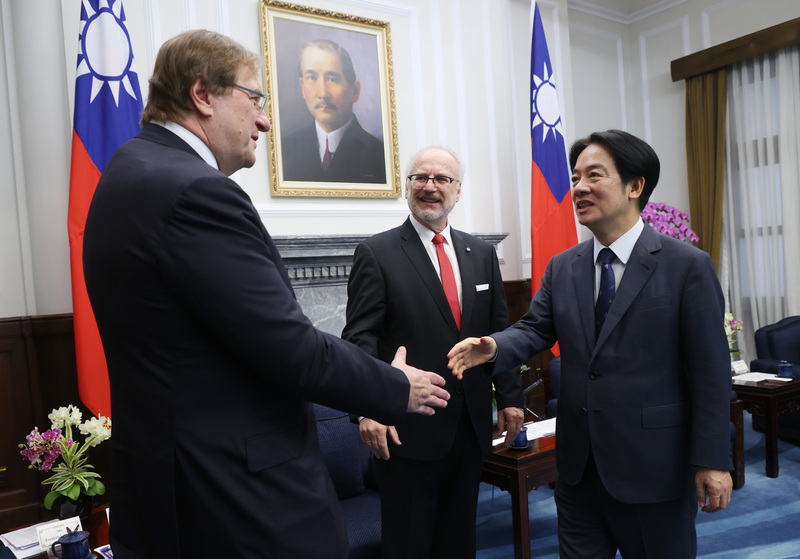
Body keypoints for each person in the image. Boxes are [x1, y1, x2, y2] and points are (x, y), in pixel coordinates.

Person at [82, 30, 449, 559]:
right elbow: (290, 348)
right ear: (203, 94)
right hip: (239, 501)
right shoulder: (196, 192)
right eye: (255, 99)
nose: (264, 120)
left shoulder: (127, 172)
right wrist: (394, 385)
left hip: (171, 488)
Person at [448, 130, 733, 558]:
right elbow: (535, 328)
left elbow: (711, 373)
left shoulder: (686, 266)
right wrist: (493, 346)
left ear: (635, 186)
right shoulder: (564, 267)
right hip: (579, 470)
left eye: (593, 175)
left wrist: (713, 458)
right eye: (575, 176)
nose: (578, 187)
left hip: (653, 468)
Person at [342, 144, 525, 559]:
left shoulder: (480, 254)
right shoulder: (377, 253)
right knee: (409, 545)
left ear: (457, 191)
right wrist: (369, 408)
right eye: (420, 177)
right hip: (407, 430)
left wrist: (512, 398)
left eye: (442, 179)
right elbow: (360, 340)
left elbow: (498, 332)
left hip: (471, 426)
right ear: (407, 188)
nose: (430, 186)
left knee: (459, 542)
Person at [281, 39, 386, 183]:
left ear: (355, 91)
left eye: (332, 79)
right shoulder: (285, 150)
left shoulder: (379, 154)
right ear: (302, 86)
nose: (323, 93)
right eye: (311, 77)